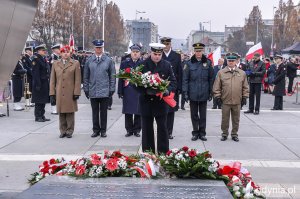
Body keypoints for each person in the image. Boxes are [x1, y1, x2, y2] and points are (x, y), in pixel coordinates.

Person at [139, 43, 177, 154]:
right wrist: (145, 90)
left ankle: (163, 153)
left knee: (162, 129)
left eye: (159, 54)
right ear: (151, 52)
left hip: (161, 103)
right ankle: (148, 153)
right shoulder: (143, 64)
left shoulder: (166, 65)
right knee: (146, 130)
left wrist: (167, 90)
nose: (157, 56)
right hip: (146, 102)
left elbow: (174, 82)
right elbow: (134, 84)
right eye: (155, 54)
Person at [213, 52, 249, 142]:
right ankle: (224, 134)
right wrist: (217, 97)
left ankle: (234, 134)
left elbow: (245, 86)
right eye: (229, 60)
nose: (231, 62)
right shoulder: (221, 73)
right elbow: (216, 86)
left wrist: (245, 97)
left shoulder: (242, 73)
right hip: (225, 100)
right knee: (225, 119)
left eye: (233, 61)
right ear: (227, 61)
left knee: (236, 119)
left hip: (237, 100)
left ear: (236, 61)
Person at [83, 39, 116, 138]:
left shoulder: (108, 60)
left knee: (104, 112)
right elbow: (85, 76)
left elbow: (112, 75)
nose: (98, 49)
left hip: (105, 90)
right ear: (94, 48)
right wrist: (86, 89)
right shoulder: (89, 61)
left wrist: (112, 88)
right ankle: (96, 130)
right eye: (97, 47)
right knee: (94, 112)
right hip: (93, 89)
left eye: (100, 47)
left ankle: (103, 131)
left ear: (102, 48)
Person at [182, 42, 213, 141]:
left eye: (200, 51)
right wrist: (185, 93)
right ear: (194, 51)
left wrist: (211, 92)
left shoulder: (208, 63)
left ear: (203, 51)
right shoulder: (189, 63)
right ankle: (195, 132)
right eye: (196, 51)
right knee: (194, 114)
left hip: (204, 93)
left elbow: (211, 79)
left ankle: (202, 133)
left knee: (203, 115)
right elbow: (185, 79)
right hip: (193, 93)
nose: (198, 53)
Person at [50, 45, 81, 138]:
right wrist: (52, 93)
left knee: (70, 112)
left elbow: (78, 79)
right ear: (61, 53)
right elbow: (52, 80)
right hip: (59, 92)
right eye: (64, 52)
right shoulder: (55, 63)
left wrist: (76, 92)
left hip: (70, 92)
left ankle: (69, 131)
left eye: (67, 52)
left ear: (70, 53)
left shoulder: (75, 63)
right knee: (61, 112)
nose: (65, 54)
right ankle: (62, 130)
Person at [118, 44, 142, 137]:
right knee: (128, 111)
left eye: (137, 52)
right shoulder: (125, 63)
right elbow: (121, 78)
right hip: (128, 90)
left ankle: (137, 130)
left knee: (138, 111)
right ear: (130, 53)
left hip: (138, 91)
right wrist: (120, 91)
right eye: (133, 52)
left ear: (139, 53)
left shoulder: (143, 63)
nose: (135, 54)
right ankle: (129, 130)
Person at [160, 37, 182, 139]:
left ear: (170, 45)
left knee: (171, 111)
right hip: (160, 87)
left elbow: (180, 73)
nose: (166, 46)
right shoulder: (159, 55)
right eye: (164, 45)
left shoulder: (176, 56)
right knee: (161, 110)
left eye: (167, 44)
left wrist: (180, 88)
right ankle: (162, 131)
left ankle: (169, 132)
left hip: (172, 87)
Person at [31, 44, 51, 122]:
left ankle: (42, 115)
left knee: (43, 100)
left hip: (44, 82)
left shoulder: (43, 58)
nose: (44, 51)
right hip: (39, 83)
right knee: (38, 101)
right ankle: (37, 116)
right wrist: (38, 84)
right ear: (38, 51)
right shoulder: (35, 59)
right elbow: (35, 73)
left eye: (45, 50)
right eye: (43, 50)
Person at [48, 44, 61, 115]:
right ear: (55, 50)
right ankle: (53, 108)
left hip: (58, 77)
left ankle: (57, 107)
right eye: (58, 49)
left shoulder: (58, 57)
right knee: (53, 92)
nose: (59, 50)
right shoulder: (53, 57)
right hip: (54, 77)